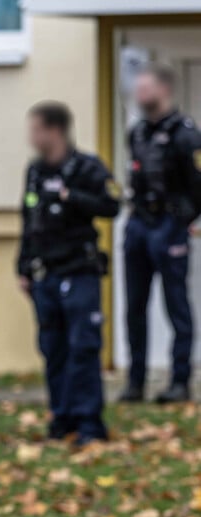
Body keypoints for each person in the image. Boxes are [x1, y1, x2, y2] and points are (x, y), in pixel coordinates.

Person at [17, 102, 120, 445]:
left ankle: (89, 422)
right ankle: (61, 418)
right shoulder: (35, 171)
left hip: (79, 270)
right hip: (45, 272)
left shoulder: (86, 168)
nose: (31, 137)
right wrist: (23, 266)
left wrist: (71, 196)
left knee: (83, 347)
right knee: (53, 348)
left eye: (36, 129)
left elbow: (111, 206)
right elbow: (28, 220)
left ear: (54, 130)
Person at [121, 64, 201, 403]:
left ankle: (179, 381)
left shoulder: (186, 134)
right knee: (134, 307)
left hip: (169, 227)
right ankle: (135, 382)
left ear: (164, 90)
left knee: (176, 307)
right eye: (137, 89)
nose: (139, 95)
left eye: (146, 89)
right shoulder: (137, 133)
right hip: (139, 225)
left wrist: (187, 219)